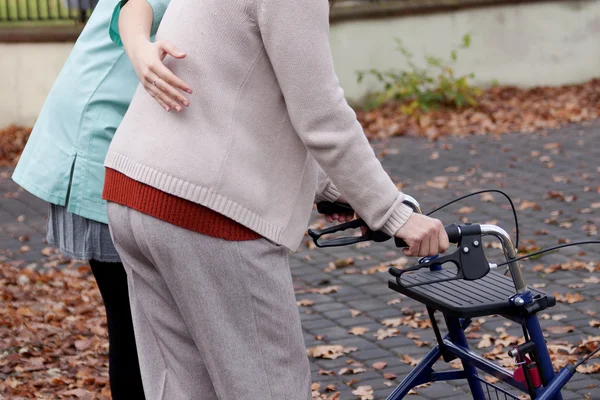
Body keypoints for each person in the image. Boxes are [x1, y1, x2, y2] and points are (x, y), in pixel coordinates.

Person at [107, 0, 450, 398]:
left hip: (135, 190)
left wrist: (339, 192)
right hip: (204, 211)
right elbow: (320, 114)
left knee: (184, 387)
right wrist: (394, 214)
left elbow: (250, 98)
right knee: (270, 387)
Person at [11, 0, 191, 397]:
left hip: (119, 142)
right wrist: (142, 50)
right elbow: (134, 7)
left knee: (141, 326)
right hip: (98, 145)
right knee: (134, 326)